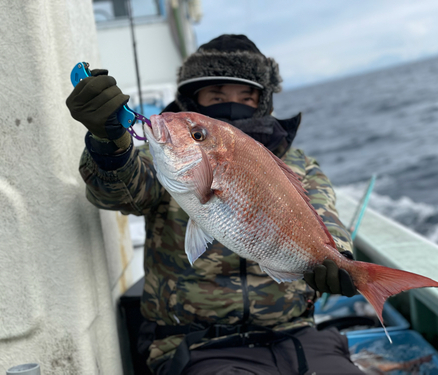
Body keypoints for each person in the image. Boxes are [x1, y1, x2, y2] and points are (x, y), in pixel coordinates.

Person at [67, 34, 363, 375]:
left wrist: (341, 258)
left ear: (263, 102)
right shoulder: (163, 158)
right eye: (217, 95)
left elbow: (326, 218)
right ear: (193, 99)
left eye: (246, 96)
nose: (231, 105)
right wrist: (109, 141)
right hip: (194, 344)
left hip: (295, 334)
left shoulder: (299, 166)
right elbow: (118, 190)